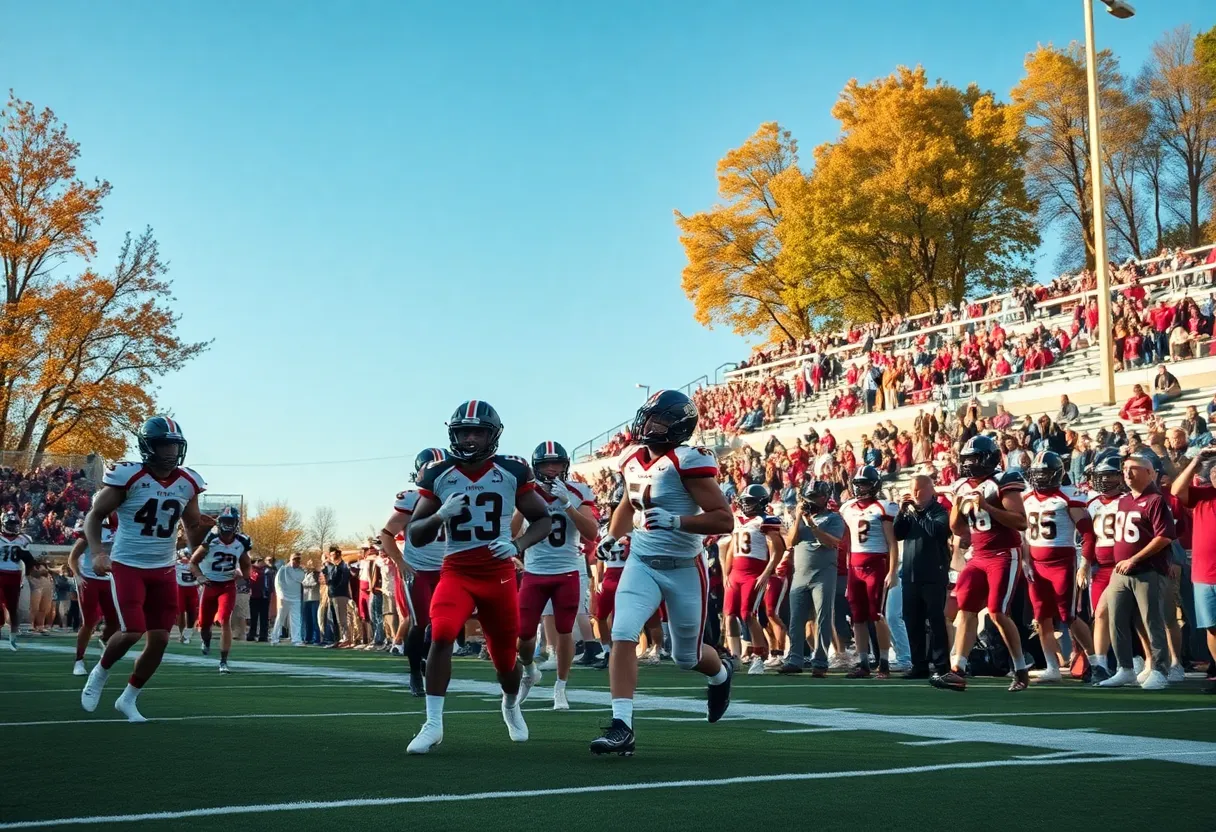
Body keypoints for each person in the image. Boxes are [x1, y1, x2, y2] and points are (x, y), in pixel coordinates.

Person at [590, 390, 735, 756]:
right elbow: (628, 503)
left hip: (685, 568)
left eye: (660, 420)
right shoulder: (631, 459)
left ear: (679, 426)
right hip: (641, 562)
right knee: (623, 632)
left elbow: (724, 518)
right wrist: (612, 535)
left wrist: (678, 521)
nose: (649, 425)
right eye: (649, 416)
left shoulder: (688, 460)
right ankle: (622, 725)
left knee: (685, 658)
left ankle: (720, 674)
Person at [405, 400, 553, 754]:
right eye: (464, 432)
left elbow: (543, 519)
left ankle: (510, 703)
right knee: (440, 634)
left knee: (504, 660)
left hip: (498, 573)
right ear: (453, 434)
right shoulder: (437, 473)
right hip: (456, 569)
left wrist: (517, 545)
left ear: (493, 435)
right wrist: (440, 515)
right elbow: (416, 534)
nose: (470, 439)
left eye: (478, 432)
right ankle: (433, 723)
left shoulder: (512, 470)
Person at [80, 416, 210, 722]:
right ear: (148, 446)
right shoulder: (130, 476)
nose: (170, 452)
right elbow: (94, 515)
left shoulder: (187, 482)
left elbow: (191, 523)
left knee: (161, 639)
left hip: (163, 568)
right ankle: (99, 673)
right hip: (128, 564)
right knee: (132, 631)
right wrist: (98, 552)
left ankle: (129, 697)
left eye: (174, 445)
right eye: (164, 444)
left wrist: (198, 546)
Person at [932, 434, 1032, 693]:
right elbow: (956, 527)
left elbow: (1021, 521)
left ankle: (1020, 668)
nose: (969, 464)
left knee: (998, 612)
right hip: (978, 555)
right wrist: (957, 505)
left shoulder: (1003, 480)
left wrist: (987, 505)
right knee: (966, 608)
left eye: (974, 459)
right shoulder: (962, 485)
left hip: (1004, 553)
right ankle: (958, 670)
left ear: (988, 458)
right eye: (966, 459)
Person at [513, 441, 599, 709]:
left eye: (558, 464)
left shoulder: (577, 491)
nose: (552, 470)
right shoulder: (526, 493)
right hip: (536, 572)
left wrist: (568, 505)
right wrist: (523, 501)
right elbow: (511, 531)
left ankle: (560, 688)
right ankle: (529, 671)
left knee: (564, 631)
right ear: (536, 468)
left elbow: (592, 533)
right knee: (523, 635)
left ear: (565, 466)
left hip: (567, 571)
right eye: (546, 465)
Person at [1097, 454, 1175, 690]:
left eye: (1134, 469)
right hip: (1120, 570)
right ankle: (1126, 668)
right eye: (1125, 469)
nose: (1127, 473)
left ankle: (1160, 670)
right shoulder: (1124, 500)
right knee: (1117, 619)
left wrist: (1135, 558)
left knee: (1152, 621)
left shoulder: (1156, 500)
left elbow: (1164, 536)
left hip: (1147, 570)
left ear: (1149, 473)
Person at [379, 448, 450, 696]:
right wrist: (399, 561)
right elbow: (386, 534)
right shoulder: (411, 498)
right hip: (418, 569)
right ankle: (414, 674)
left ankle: (426, 662)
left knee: (442, 624)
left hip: (447, 569)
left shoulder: (457, 492)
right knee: (419, 623)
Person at [1021, 451, 1097, 682]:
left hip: (1062, 562)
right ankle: (1052, 667)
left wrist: (1084, 565)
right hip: (1035, 564)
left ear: (1056, 474)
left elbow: (1088, 534)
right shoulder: (1025, 498)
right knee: (1041, 616)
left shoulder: (1069, 496)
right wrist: (1025, 560)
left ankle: (1097, 663)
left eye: (1045, 473)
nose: (1040, 478)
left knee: (1069, 615)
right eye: (1037, 474)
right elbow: (1022, 534)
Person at [778, 480, 844, 676]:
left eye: (814, 497)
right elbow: (790, 542)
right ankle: (795, 659)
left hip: (823, 573)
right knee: (796, 619)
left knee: (823, 618)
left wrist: (812, 525)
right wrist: (799, 517)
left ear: (824, 498)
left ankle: (821, 662)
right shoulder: (798, 517)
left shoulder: (834, 518)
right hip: (800, 573)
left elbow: (832, 543)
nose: (810, 500)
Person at [839, 466, 898, 679]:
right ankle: (863, 662)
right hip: (855, 567)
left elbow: (892, 543)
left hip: (876, 565)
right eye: (858, 484)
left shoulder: (883, 507)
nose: (861, 488)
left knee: (878, 615)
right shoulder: (847, 508)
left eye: (864, 483)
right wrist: (848, 573)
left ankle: (884, 663)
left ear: (874, 485)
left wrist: (893, 571)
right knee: (857, 617)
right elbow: (848, 543)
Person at [719, 483, 784, 675]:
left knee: (748, 614)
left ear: (761, 502)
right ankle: (735, 657)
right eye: (745, 501)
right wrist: (726, 573)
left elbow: (779, 548)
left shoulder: (765, 520)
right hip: (735, 573)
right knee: (729, 615)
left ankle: (759, 656)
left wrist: (767, 572)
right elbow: (731, 548)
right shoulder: (738, 520)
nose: (746, 505)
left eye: (750, 501)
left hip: (753, 573)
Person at [893, 474, 951, 679]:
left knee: (935, 621)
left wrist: (918, 512)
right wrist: (902, 512)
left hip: (933, 573)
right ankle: (919, 664)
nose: (915, 494)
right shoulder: (909, 512)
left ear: (930, 490)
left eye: (919, 490)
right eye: (913, 489)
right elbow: (898, 533)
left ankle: (942, 665)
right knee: (912, 620)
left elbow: (937, 530)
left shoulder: (940, 511)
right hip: (910, 574)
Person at [1171, 447, 1216, 694]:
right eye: (1215, 472)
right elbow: (1177, 490)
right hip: (1204, 572)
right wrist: (1196, 461)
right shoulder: (1203, 494)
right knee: (1211, 626)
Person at [1079, 451, 1125, 682]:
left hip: (1124, 566)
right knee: (1100, 615)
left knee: (1134, 618)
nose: (1104, 480)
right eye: (1101, 476)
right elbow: (1089, 537)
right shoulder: (1091, 503)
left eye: (1110, 475)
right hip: (1101, 568)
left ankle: (1147, 662)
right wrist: (1085, 564)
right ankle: (1101, 664)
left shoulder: (1130, 501)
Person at [190, 506, 252, 673]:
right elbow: (192, 562)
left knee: (225, 620)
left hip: (227, 585)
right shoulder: (211, 539)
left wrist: (243, 576)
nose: (228, 525)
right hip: (210, 584)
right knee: (204, 625)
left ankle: (223, 661)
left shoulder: (241, 542)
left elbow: (247, 565)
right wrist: (200, 577)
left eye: (231, 521)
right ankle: (206, 641)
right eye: (225, 521)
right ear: (220, 522)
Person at [66, 513, 120, 675]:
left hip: (110, 579)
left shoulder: (122, 530)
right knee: (89, 621)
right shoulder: (90, 530)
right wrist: (77, 575)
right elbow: (73, 557)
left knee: (115, 621)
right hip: (89, 578)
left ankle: (103, 640)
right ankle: (79, 660)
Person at [0, 511, 37, 651]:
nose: (14, 527)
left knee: (13, 608)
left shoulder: (22, 539)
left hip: (14, 575)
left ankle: (13, 638)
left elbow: (29, 561)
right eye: (11, 524)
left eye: (15, 524)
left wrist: (27, 574)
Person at [272, 552, 305, 646]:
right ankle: (274, 638)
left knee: (296, 619)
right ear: (290, 559)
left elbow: (303, 581)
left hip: (296, 598)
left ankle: (297, 640)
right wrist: (280, 596)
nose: (296, 561)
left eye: (298, 559)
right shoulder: (283, 569)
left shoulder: (301, 571)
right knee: (280, 618)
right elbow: (277, 583)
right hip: (284, 598)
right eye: (294, 559)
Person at [322, 547, 353, 647]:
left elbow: (336, 581)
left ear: (338, 554)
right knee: (334, 619)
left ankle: (346, 639)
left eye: (332, 555)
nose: (331, 557)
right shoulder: (335, 567)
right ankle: (338, 639)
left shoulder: (342, 566)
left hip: (339, 594)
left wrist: (328, 581)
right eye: (330, 555)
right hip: (333, 594)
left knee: (341, 618)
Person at [174, 546, 199, 644]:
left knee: (192, 612)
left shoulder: (198, 564)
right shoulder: (176, 564)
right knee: (180, 612)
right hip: (180, 588)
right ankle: (182, 634)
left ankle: (187, 634)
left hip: (192, 588)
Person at [301, 561, 321, 645]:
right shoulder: (305, 574)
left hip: (315, 599)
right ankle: (307, 638)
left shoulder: (316, 574)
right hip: (306, 599)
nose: (309, 566)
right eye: (308, 564)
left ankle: (316, 638)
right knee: (307, 620)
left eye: (311, 564)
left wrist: (305, 584)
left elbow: (315, 583)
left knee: (315, 619)